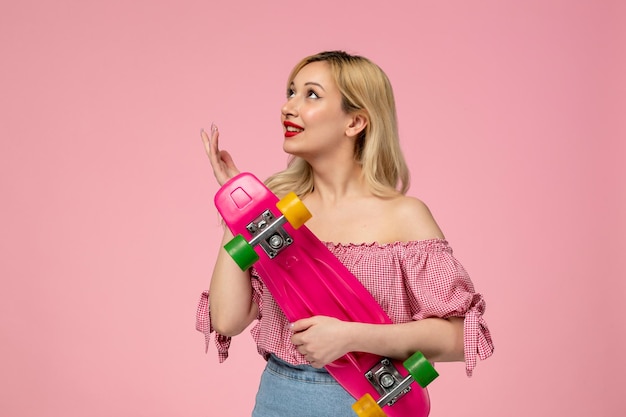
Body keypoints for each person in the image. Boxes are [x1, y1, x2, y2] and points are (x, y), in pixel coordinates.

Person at [196, 50, 493, 417]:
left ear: (355, 122)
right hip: (278, 397)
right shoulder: (276, 213)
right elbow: (227, 319)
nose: (289, 107)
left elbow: (457, 336)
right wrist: (238, 208)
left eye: (311, 94)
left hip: (367, 403)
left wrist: (352, 337)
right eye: (291, 92)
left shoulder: (403, 216)